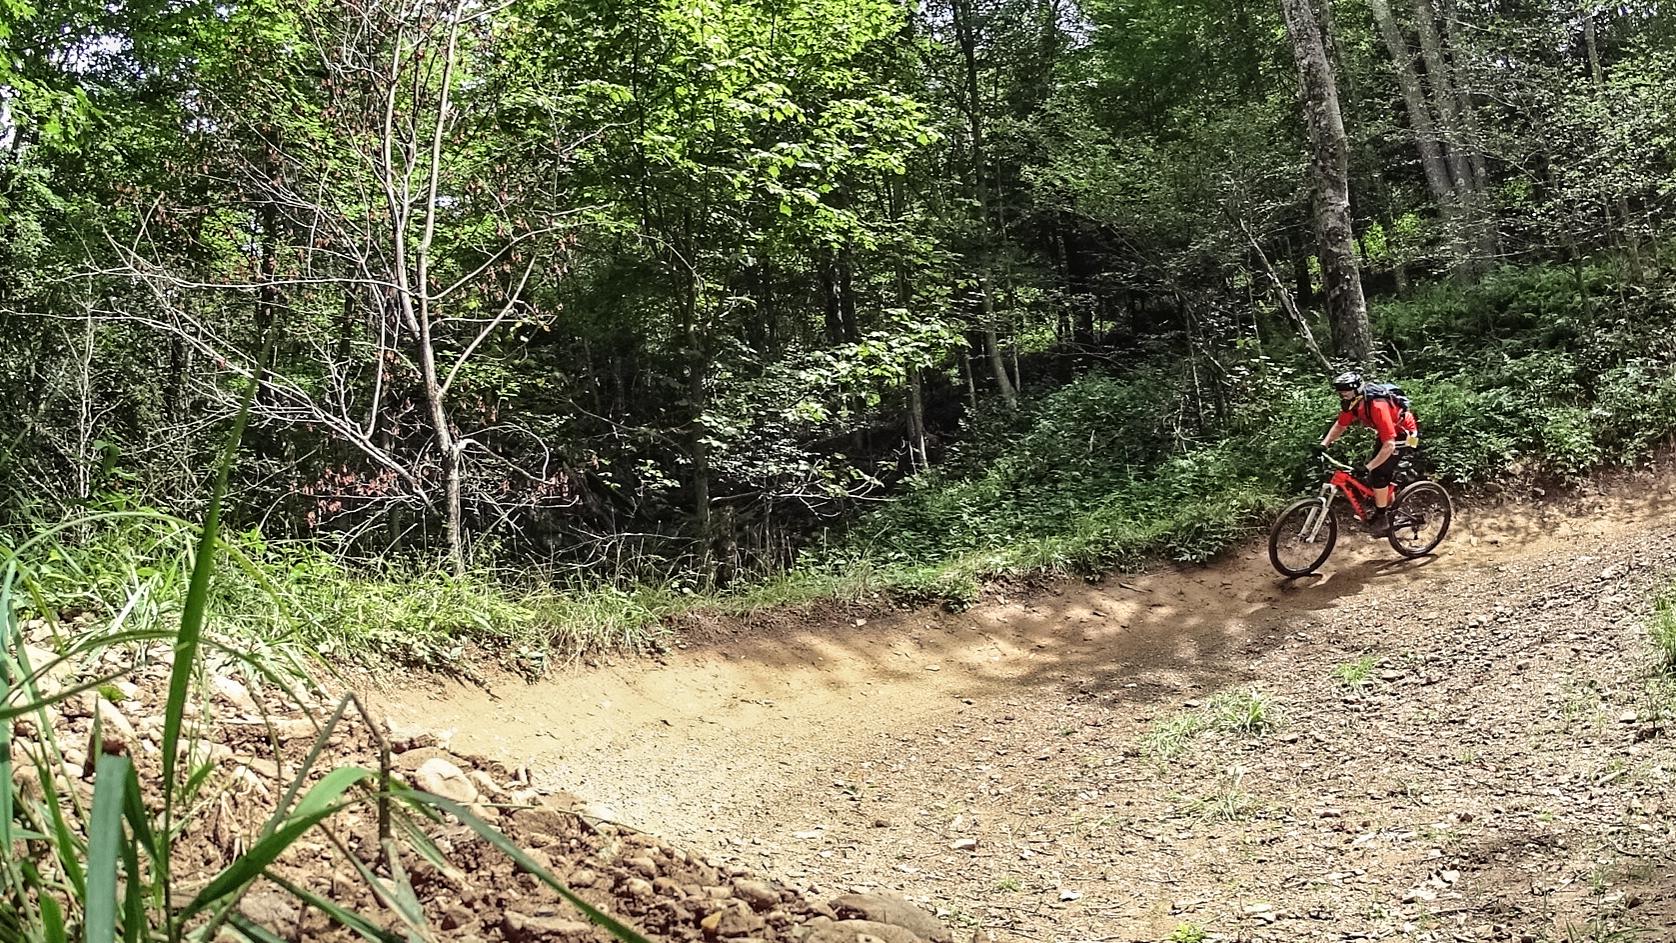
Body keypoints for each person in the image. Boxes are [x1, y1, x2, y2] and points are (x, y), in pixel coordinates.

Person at [1319, 371, 1419, 537]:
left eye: (1346, 390)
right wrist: (1323, 445)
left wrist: (1369, 467)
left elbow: (1389, 445)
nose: (1343, 393)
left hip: (1404, 434)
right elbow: (1340, 425)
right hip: (1387, 435)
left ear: (1357, 389)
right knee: (1376, 474)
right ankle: (1391, 512)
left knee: (1378, 473)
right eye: (1340, 390)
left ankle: (1382, 518)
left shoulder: (1377, 406)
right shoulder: (1352, 403)